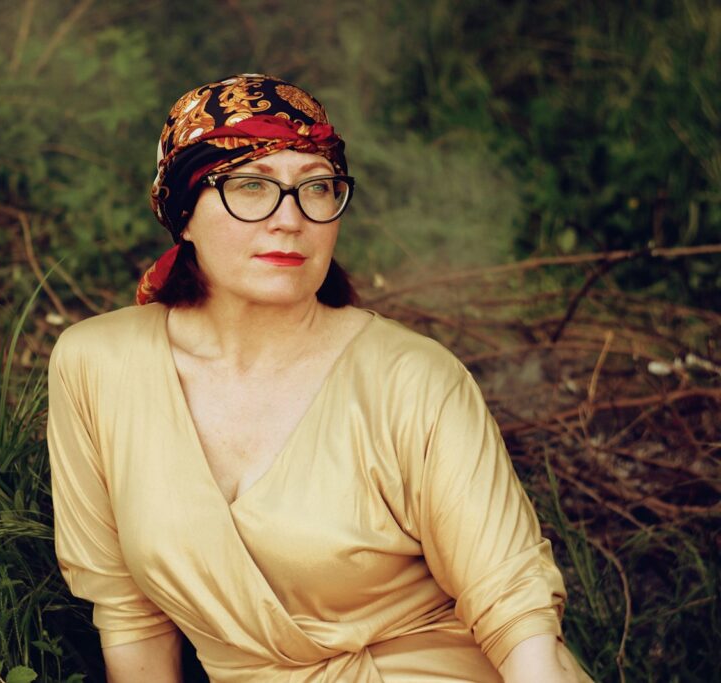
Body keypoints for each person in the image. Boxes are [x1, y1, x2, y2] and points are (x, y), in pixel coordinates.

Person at [47, 74, 591, 682]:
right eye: (250, 187)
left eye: (317, 188)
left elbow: (513, 602)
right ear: (184, 214)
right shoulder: (96, 363)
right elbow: (127, 609)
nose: (289, 219)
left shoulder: (411, 377)